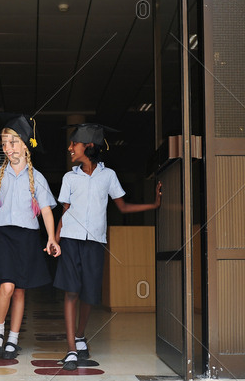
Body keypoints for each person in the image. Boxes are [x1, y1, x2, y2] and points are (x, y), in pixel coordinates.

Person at [53, 123, 162, 370]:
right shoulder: (69, 177)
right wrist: (55, 238)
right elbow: (65, 211)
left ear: (89, 146)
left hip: (95, 241)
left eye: (74, 143)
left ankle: (80, 335)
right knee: (71, 291)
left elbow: (122, 207)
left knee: (90, 293)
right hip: (71, 239)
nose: (70, 147)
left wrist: (153, 205)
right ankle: (71, 348)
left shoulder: (108, 176)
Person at [0, 114, 61, 360]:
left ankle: (13, 339)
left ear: (25, 144)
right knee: (6, 285)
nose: (7, 147)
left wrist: (51, 238)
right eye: (4, 143)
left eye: (13, 142)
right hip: (2, 235)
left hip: (27, 237)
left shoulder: (38, 178)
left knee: (20, 291)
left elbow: (46, 210)